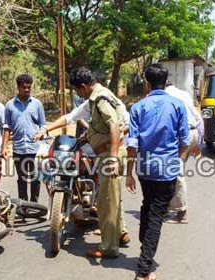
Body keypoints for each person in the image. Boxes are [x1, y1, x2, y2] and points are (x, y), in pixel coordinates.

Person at [33, 67, 131, 251]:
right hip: (105, 151)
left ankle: (108, 247)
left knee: (106, 201)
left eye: (78, 90)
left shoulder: (100, 99)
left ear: (84, 86)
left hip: (109, 153)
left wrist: (112, 157)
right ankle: (121, 233)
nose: (78, 93)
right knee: (111, 198)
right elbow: (70, 118)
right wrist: (48, 130)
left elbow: (116, 126)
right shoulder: (95, 99)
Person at [126, 64, 190, 280]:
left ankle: (146, 248)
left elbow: (132, 144)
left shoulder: (137, 108)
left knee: (148, 205)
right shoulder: (177, 106)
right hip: (166, 168)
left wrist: (128, 172)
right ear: (166, 82)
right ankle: (144, 271)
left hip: (144, 168)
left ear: (147, 82)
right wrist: (177, 160)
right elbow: (185, 141)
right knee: (156, 215)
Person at [2, 74, 46, 202]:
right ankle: (23, 204)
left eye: (29, 87)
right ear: (18, 87)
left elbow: (43, 124)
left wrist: (40, 134)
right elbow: (7, 127)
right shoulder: (10, 106)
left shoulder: (37, 104)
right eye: (24, 87)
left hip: (34, 149)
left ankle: (34, 203)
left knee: (35, 177)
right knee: (21, 178)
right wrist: (4, 147)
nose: (26, 90)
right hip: (18, 148)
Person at [164, 83, 204, 224]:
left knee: (176, 171)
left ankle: (182, 213)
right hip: (192, 132)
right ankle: (169, 206)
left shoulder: (165, 96)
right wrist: (198, 142)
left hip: (182, 135)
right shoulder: (184, 94)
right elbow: (199, 119)